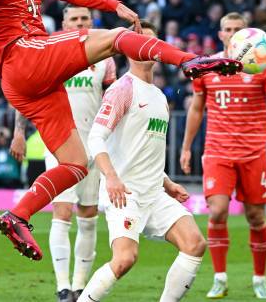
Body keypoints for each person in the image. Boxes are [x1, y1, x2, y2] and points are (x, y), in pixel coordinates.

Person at [0, 0, 241, 260]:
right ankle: (193, 61)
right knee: (116, 38)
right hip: (23, 57)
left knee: (76, 163)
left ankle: (18, 215)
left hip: (29, 83)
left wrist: (113, 4)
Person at [80, 21, 206, 302]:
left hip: (154, 191)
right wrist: (111, 177)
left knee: (195, 244)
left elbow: (145, 149)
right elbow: (96, 138)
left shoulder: (160, 96)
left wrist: (168, 183)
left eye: (153, 41)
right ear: (128, 49)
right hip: (126, 193)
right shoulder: (122, 89)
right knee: (125, 259)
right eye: (140, 41)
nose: (148, 47)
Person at [180, 12, 266, 299]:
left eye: (238, 29)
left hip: (254, 152)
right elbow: (196, 108)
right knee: (216, 211)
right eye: (228, 29)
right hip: (217, 150)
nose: (232, 34)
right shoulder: (207, 67)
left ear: (247, 33)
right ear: (221, 35)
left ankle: (259, 279)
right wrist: (185, 146)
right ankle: (219, 277)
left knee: (255, 216)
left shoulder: (262, 66)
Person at [9, 5, 116, 302]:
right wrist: (19, 131)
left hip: (93, 145)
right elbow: (26, 91)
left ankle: (81, 286)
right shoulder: (48, 50)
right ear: (65, 23)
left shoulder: (104, 57)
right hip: (59, 145)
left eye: (84, 19)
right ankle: (63, 286)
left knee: (89, 214)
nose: (80, 22)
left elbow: (113, 97)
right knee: (62, 210)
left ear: (91, 22)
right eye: (74, 19)